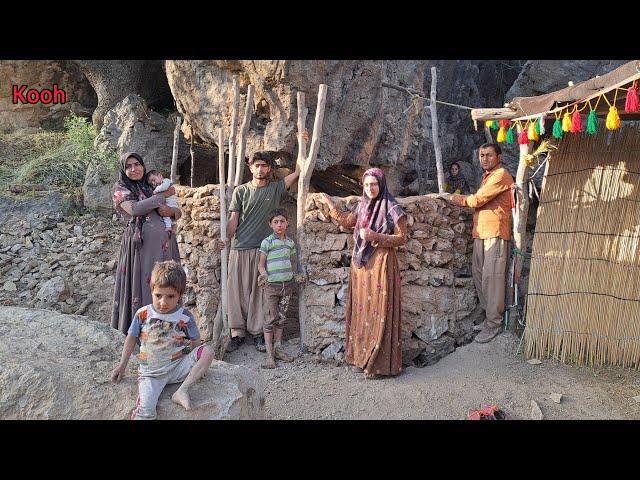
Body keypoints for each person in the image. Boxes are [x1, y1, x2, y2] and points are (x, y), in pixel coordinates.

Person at [316, 167, 407, 378]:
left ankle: (380, 365)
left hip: (382, 263)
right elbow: (348, 222)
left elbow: (402, 238)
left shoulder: (392, 207)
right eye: (366, 185)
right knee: (363, 310)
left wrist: (377, 235)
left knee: (381, 310)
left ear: (381, 184)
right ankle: (361, 358)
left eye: (374, 184)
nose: (370, 188)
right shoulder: (362, 205)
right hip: (362, 267)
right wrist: (331, 205)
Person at [111, 260, 215, 420]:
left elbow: (195, 342)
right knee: (145, 412)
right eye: (158, 295)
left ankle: (182, 390)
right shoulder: (143, 314)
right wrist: (122, 365)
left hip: (177, 368)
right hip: (151, 374)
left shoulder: (184, 317)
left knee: (207, 351)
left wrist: (198, 368)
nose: (163, 302)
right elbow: (131, 338)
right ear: (152, 290)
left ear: (180, 295)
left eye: (170, 296)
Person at [221, 151, 301, 353]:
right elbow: (233, 219)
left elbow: (298, 172)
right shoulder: (241, 191)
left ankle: (257, 333)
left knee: (260, 293)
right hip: (239, 247)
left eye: (264, 165)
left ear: (269, 169)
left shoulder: (275, 189)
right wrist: (225, 239)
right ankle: (237, 333)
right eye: (256, 165)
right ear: (250, 168)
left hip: (265, 250)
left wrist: (303, 143)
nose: (260, 169)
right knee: (236, 291)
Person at [439, 143, 514, 343]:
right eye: (481, 155)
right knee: (480, 275)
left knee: (493, 279)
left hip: (496, 233)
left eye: (489, 155)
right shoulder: (487, 177)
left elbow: (476, 200)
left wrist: (452, 197)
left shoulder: (501, 175)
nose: (485, 159)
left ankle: (494, 324)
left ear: (499, 157)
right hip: (481, 232)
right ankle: (488, 319)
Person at [111, 152, 182, 336]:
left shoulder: (150, 184)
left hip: (166, 248)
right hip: (141, 250)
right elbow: (135, 209)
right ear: (123, 170)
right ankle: (142, 333)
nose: (134, 169)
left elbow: (177, 211)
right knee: (145, 286)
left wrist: (171, 211)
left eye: (137, 164)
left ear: (143, 165)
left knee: (167, 284)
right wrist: (161, 197)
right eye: (128, 166)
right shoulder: (120, 189)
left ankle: (168, 331)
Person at [257, 208, 300, 369]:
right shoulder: (267, 242)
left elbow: (292, 262)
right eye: (275, 222)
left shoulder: (290, 243)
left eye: (282, 221)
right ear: (270, 225)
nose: (279, 225)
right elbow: (261, 265)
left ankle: (278, 349)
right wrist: (264, 275)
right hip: (271, 287)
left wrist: (295, 275)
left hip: (286, 286)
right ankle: (269, 355)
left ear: (287, 223)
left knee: (281, 318)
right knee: (270, 319)